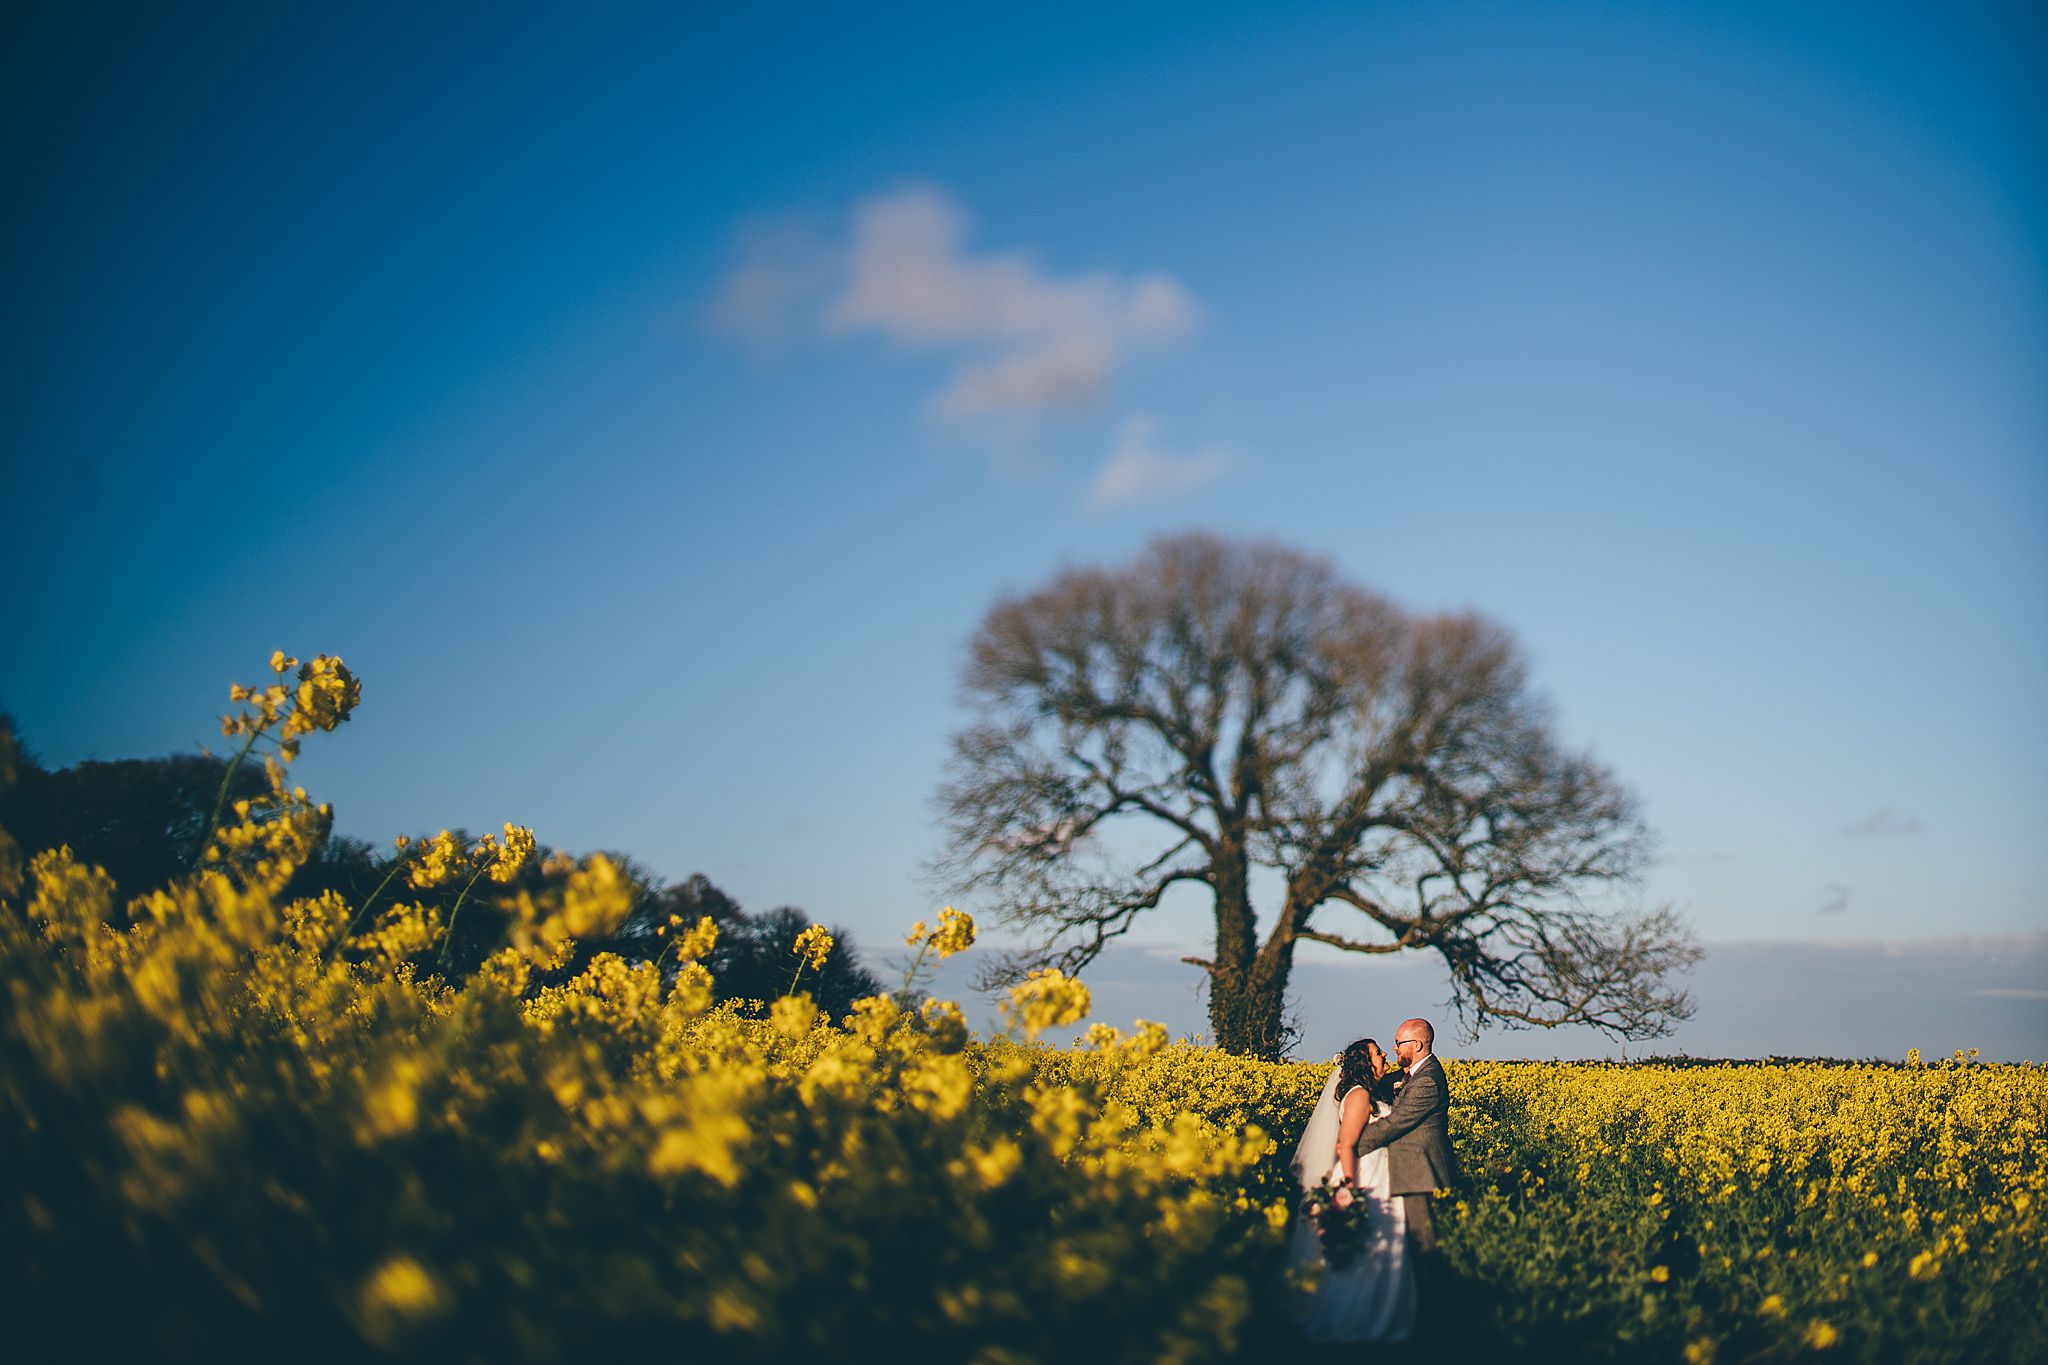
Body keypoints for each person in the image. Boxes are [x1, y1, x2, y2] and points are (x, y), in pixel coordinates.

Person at [1287, 1037, 1416, 1343]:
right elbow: (1346, 1145)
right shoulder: (1358, 1096)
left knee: (1371, 1248)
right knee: (1362, 1247)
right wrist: (1352, 1190)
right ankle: (1349, 1317)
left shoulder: (1369, 1092)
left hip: (1375, 1173)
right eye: (1377, 1052)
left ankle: (1366, 1313)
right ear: (1364, 1063)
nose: (1385, 1054)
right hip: (1362, 1175)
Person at [1356, 1018, 1457, 1264]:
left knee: (1425, 1251)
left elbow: (1395, 1123)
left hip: (1421, 1178)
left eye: (1399, 1043)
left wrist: (1352, 1145)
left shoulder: (1427, 1080)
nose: (1394, 1049)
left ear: (1418, 1045)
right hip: (1408, 1176)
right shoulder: (1409, 1075)